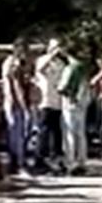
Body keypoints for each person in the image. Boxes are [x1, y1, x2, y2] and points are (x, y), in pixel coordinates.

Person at [59, 46, 92, 176]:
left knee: (69, 134)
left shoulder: (70, 68)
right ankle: (82, 162)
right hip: (82, 103)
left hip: (70, 103)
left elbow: (63, 88)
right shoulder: (84, 68)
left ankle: (70, 163)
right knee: (81, 134)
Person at [34, 40, 66, 172]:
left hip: (57, 101)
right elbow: (40, 70)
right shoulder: (42, 60)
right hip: (45, 100)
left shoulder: (61, 64)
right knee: (43, 130)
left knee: (56, 131)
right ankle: (40, 158)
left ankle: (55, 157)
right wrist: (51, 56)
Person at [1, 40, 30, 175]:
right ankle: (18, 164)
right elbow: (15, 85)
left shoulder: (11, 62)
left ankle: (16, 163)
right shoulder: (14, 64)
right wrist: (23, 104)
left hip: (13, 101)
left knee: (16, 134)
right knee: (17, 135)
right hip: (14, 103)